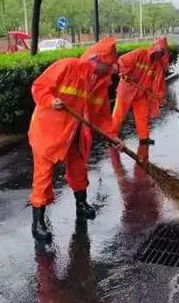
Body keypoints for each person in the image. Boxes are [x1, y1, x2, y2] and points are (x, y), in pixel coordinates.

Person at [28, 37, 121, 241]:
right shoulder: (67, 67)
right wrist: (52, 101)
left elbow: (102, 116)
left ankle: (81, 204)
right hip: (47, 130)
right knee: (43, 175)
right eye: (107, 67)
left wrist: (112, 136)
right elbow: (39, 87)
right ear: (96, 61)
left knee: (78, 167)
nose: (109, 72)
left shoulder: (99, 84)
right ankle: (38, 222)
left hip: (73, 133)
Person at [111, 36, 171, 145]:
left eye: (162, 52)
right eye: (158, 51)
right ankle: (111, 137)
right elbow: (122, 61)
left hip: (141, 93)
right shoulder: (139, 54)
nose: (159, 54)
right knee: (119, 114)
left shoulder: (158, 66)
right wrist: (126, 73)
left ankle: (144, 138)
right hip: (126, 90)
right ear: (154, 49)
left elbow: (159, 83)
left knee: (142, 115)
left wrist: (161, 97)